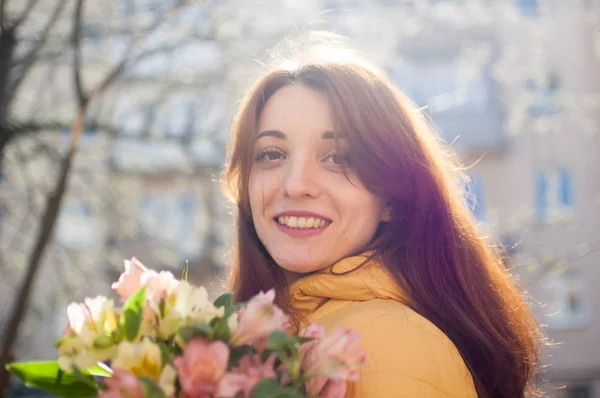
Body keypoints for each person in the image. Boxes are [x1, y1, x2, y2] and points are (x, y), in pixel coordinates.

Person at [222, 34, 543, 397]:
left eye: (338, 157)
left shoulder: (388, 346)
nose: (296, 185)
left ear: (391, 196)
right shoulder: (265, 339)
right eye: (271, 154)